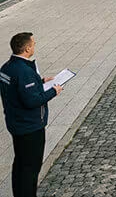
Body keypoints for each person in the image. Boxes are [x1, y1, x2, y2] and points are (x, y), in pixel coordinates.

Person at [0, 33, 63, 197]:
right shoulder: (23, 71)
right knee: (30, 168)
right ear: (27, 48)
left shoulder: (7, 67)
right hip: (30, 126)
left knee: (20, 164)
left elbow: (17, 89)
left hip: (15, 123)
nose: (35, 45)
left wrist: (40, 81)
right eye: (34, 43)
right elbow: (31, 101)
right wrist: (53, 91)